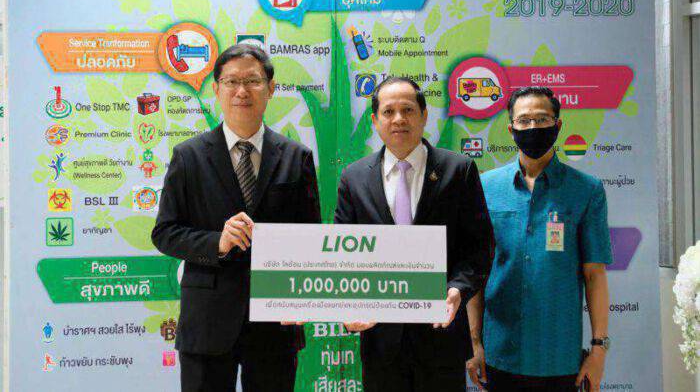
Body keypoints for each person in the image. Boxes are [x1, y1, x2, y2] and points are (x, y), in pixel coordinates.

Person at [152, 44, 321, 392]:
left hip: (275, 319)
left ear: (270, 89)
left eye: (252, 81)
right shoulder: (188, 156)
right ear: (216, 89)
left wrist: (303, 297)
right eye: (231, 82)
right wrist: (218, 241)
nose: (242, 91)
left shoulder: (296, 157)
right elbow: (165, 232)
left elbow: (310, 238)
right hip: (207, 320)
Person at [334, 77, 494, 392]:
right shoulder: (354, 178)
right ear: (374, 120)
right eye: (388, 111)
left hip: (441, 336)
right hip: (380, 341)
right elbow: (343, 255)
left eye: (408, 110)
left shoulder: (458, 170)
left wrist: (458, 289)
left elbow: (480, 247)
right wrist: (347, 305)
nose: (398, 119)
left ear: (424, 116)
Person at [467, 86, 612, 392]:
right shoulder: (486, 187)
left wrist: (598, 349)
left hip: (560, 357)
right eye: (524, 120)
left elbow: (594, 274)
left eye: (542, 119)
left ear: (557, 125)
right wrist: (475, 342)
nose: (533, 127)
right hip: (500, 354)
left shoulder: (586, 190)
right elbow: (476, 272)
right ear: (511, 129)